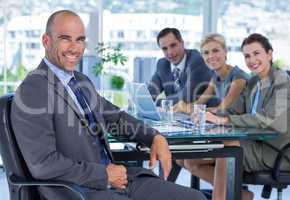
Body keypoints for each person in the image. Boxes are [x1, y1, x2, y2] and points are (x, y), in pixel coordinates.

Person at [10, 10, 207, 200]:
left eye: (80, 40)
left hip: (119, 182)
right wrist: (104, 175)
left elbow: (116, 118)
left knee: (195, 197)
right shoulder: (33, 90)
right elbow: (44, 164)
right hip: (80, 191)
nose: (74, 48)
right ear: (46, 41)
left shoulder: (80, 81)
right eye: (65, 38)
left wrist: (154, 137)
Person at [192, 33, 290, 200]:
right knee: (194, 159)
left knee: (228, 146)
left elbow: (271, 121)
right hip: (256, 143)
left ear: (269, 54)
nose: (251, 60)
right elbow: (234, 111)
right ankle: (241, 195)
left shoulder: (281, 81)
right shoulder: (253, 82)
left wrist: (225, 120)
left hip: (278, 150)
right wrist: (210, 115)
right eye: (247, 56)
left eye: (257, 53)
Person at [173, 33, 249, 114]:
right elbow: (199, 103)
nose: (211, 56)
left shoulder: (238, 78)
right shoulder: (215, 77)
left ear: (225, 52)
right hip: (225, 124)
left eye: (215, 51)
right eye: (206, 53)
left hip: (246, 125)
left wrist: (187, 109)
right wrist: (179, 106)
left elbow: (221, 110)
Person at [147, 27, 213, 105]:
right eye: (164, 49)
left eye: (173, 45)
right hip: (176, 115)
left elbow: (186, 98)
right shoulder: (162, 64)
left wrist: (159, 102)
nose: (170, 52)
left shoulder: (197, 60)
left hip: (204, 114)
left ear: (182, 43)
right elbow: (148, 94)